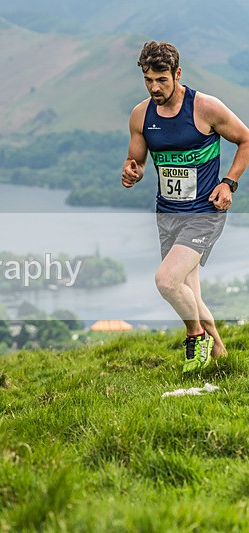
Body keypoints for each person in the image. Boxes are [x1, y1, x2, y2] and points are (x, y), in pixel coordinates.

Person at [122, 41, 249, 373]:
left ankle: (196, 336)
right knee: (189, 291)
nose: (155, 87)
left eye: (162, 79)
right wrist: (131, 171)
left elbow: (245, 139)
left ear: (177, 74)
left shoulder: (205, 108)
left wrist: (229, 182)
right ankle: (221, 355)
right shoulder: (141, 114)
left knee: (166, 281)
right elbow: (136, 160)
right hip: (167, 214)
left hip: (204, 213)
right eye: (149, 80)